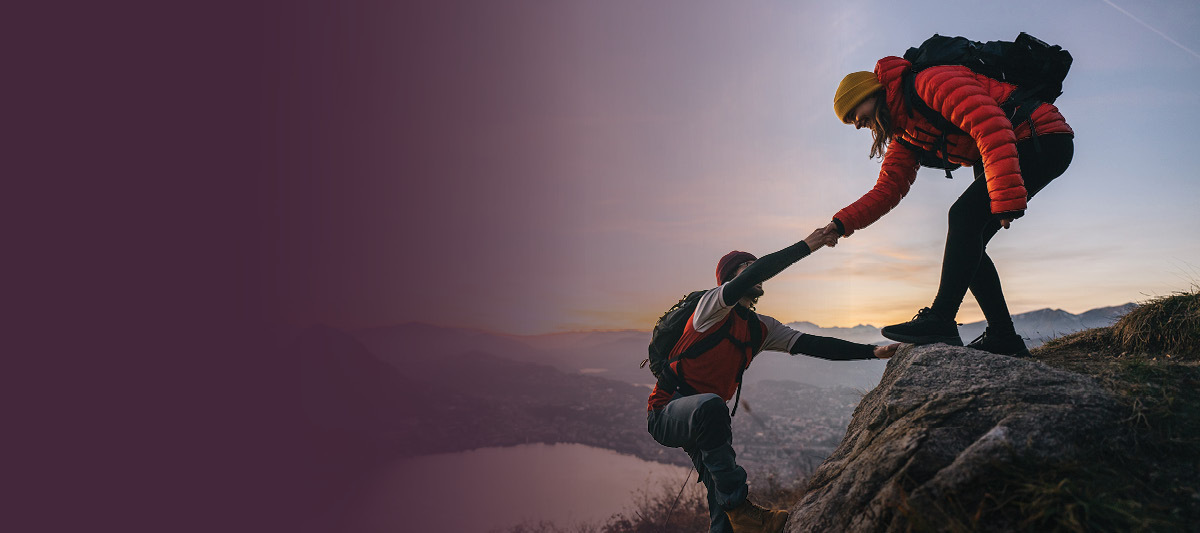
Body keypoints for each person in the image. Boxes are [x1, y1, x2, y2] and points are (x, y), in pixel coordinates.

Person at [646, 227, 900, 533]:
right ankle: (741, 508)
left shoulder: (760, 328)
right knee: (713, 413)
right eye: (746, 267)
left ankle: (734, 517)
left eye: (755, 266)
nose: (755, 271)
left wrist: (873, 351)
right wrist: (809, 244)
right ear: (729, 280)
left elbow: (814, 344)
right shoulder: (710, 308)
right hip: (666, 411)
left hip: (704, 419)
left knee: (723, 513)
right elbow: (759, 271)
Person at [826, 52, 1074, 357]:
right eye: (849, 121)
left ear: (871, 93)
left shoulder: (930, 83)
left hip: (1040, 135)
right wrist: (840, 224)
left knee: (962, 218)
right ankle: (1003, 336)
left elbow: (991, 124)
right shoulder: (905, 133)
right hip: (1012, 146)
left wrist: (1005, 196)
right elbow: (888, 189)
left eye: (854, 112)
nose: (856, 124)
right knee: (968, 244)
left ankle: (941, 318)